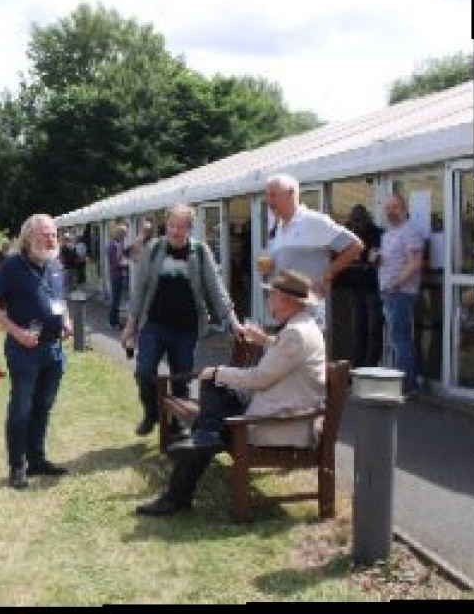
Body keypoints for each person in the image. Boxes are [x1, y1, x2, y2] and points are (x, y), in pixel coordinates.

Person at [135, 269, 327, 517]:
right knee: (215, 400)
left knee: (215, 385)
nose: (268, 300)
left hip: (279, 423)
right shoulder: (302, 327)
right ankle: (204, 440)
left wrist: (219, 371)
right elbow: (287, 355)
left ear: (287, 300)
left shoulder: (295, 333)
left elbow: (260, 378)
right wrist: (265, 341)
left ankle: (181, 485)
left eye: (271, 295)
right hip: (282, 410)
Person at [121, 204, 241, 438]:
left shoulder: (200, 251)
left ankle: (178, 425)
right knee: (144, 372)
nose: (175, 231)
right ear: (166, 225)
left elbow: (216, 289)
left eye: (181, 227)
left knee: (181, 377)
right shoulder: (154, 249)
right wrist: (130, 326)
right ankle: (151, 414)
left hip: (186, 329)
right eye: (171, 226)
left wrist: (233, 321)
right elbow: (140, 289)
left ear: (190, 228)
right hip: (154, 324)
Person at [0, 213, 73, 490]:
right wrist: (16, 332)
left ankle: (37, 459)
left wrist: (65, 321)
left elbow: (59, 300)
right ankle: (17, 466)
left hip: (53, 349)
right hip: (24, 351)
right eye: (44, 232)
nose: (51, 237)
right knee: (21, 408)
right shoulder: (12, 266)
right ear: (29, 236)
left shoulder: (55, 264)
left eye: (54, 233)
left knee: (43, 405)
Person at [262, 173, 364, 328]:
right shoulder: (277, 227)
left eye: (273, 195)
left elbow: (355, 246)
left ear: (291, 194)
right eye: (267, 195)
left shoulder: (313, 221)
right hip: (285, 314)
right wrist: (268, 267)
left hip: (309, 315)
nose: (269, 201)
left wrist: (327, 275)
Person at [377, 194, 425, 397]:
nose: (391, 211)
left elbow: (415, 262)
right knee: (397, 339)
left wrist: (396, 284)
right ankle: (404, 383)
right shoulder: (389, 234)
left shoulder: (410, 231)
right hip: (389, 292)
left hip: (400, 293)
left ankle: (407, 386)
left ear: (404, 209)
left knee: (400, 339)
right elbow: (392, 260)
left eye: (395, 207)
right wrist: (377, 257)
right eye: (387, 208)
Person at [339, 204, 384, 367]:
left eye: (358, 220)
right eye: (354, 220)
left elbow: (376, 258)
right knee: (359, 329)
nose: (356, 223)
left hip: (372, 285)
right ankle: (358, 366)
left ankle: (369, 366)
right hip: (356, 285)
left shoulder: (376, 233)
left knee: (373, 330)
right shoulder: (348, 233)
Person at [107, 223, 130, 328]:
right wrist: (126, 265)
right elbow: (116, 263)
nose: (125, 235)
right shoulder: (113, 245)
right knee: (115, 299)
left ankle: (116, 321)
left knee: (119, 299)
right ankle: (113, 322)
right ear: (119, 233)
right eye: (124, 233)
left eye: (125, 233)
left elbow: (120, 257)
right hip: (116, 275)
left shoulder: (118, 243)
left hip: (119, 274)